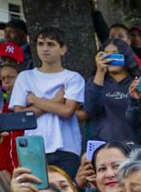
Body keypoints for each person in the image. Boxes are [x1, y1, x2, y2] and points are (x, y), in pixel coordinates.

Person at [9, 26, 86, 176]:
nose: (45, 48)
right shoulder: (25, 77)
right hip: (32, 147)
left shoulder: (72, 77)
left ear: (63, 49)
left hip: (66, 147)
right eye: (40, 44)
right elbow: (20, 118)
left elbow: (67, 111)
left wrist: (34, 100)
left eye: (51, 44)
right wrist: (56, 100)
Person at [84, 38, 141, 144]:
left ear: (126, 56)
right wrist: (100, 72)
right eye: (105, 55)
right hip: (103, 147)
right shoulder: (95, 81)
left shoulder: (137, 83)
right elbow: (91, 110)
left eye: (115, 54)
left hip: (133, 146)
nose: (109, 58)